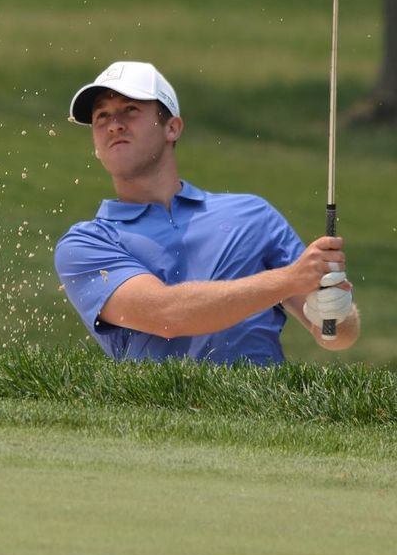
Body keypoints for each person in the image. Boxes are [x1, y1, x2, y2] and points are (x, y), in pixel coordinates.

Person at [53, 60, 360, 364]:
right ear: (95, 145)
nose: (114, 124)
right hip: (162, 410)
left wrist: (337, 310)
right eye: (101, 117)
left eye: (130, 109)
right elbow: (166, 316)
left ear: (172, 127)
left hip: (264, 406)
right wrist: (287, 280)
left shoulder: (252, 215)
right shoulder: (85, 244)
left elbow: (336, 335)